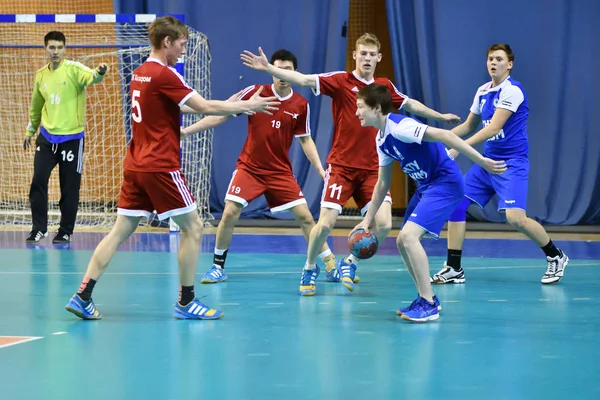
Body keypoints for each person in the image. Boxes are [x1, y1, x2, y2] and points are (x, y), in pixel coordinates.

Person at [64, 16, 279, 320]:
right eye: (181, 44)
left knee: (119, 231)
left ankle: (82, 294)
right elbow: (203, 106)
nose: (183, 50)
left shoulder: (140, 73)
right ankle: (186, 301)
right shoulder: (166, 74)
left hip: (136, 165)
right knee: (194, 227)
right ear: (167, 42)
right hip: (160, 166)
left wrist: (228, 104)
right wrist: (246, 106)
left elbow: (180, 104)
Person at [241, 33, 461, 296]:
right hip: (342, 167)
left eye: (372, 54)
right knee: (324, 224)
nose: (367, 58)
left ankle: (350, 262)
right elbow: (303, 79)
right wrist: (268, 68)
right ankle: (310, 267)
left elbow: (410, 103)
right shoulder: (341, 80)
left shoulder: (383, 86)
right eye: (362, 53)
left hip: (372, 169)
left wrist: (439, 116)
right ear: (355, 55)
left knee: (383, 224)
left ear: (378, 58)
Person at [180, 49, 338, 285]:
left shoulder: (300, 105)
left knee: (306, 218)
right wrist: (186, 131)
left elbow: (305, 139)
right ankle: (217, 267)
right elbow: (222, 114)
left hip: (280, 172)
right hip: (250, 169)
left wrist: (320, 169)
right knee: (230, 213)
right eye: (278, 69)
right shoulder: (255, 94)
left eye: (287, 70)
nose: (282, 74)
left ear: (294, 72)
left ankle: (330, 264)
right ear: (270, 70)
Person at [351, 83, 506, 321]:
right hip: (426, 186)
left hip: (445, 182)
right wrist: (367, 220)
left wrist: (482, 161)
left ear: (377, 108)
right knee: (403, 242)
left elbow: (444, 135)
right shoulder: (381, 140)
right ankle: (427, 297)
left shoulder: (402, 127)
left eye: (361, 107)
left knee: (409, 237)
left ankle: (428, 304)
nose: (357, 112)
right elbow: (382, 184)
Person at [430, 44, 569, 285]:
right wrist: (437, 139)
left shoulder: (512, 91)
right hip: (486, 163)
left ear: (510, 64)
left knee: (516, 218)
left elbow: (494, 128)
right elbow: (468, 126)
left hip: (511, 165)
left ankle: (555, 256)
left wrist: (456, 149)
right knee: (457, 204)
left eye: (499, 59)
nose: (493, 63)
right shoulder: (483, 91)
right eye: (490, 59)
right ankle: (454, 268)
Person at [24, 31, 108, 244]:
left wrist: (100, 72)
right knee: (38, 181)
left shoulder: (74, 70)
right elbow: (36, 106)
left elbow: (91, 77)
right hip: (46, 137)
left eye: (60, 47)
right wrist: (30, 131)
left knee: (69, 187)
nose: (56, 52)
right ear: (45, 49)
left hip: (71, 139)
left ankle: (65, 231)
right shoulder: (41, 75)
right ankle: (39, 229)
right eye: (52, 47)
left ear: (65, 49)